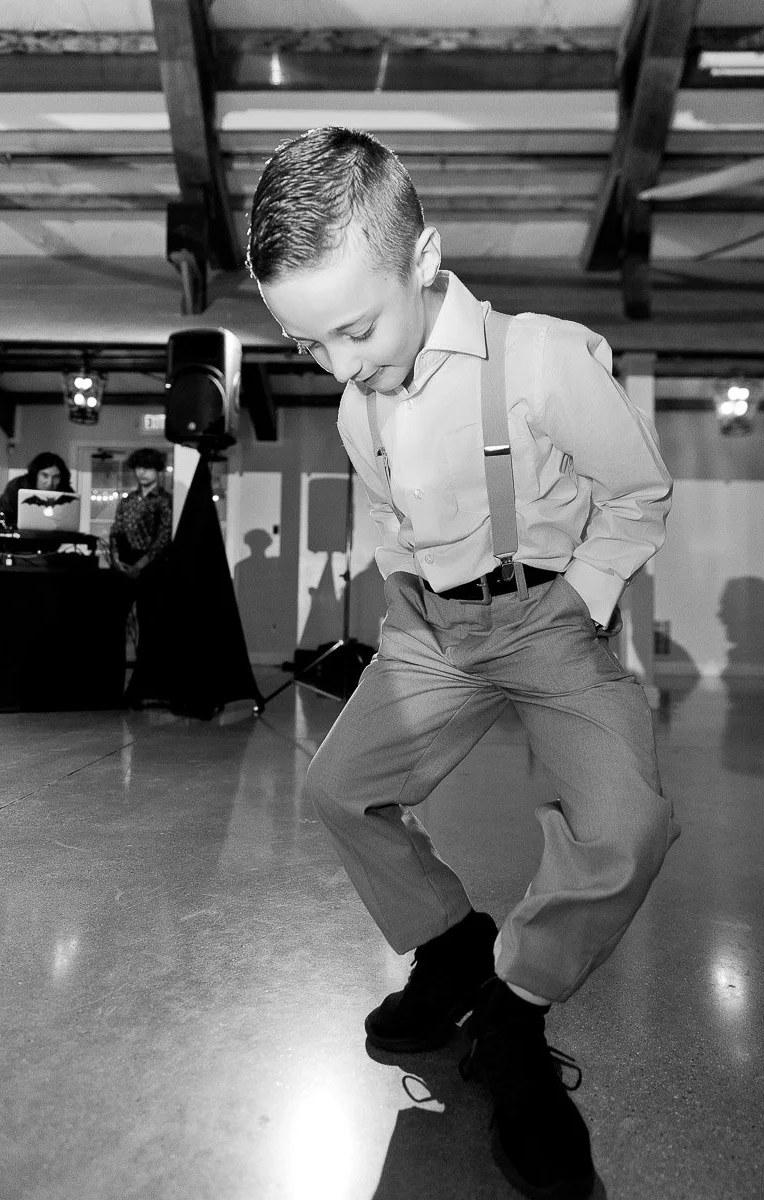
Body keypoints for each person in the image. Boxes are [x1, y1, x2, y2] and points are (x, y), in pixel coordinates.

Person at [247, 126, 680, 1200]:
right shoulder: (359, 407)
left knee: (625, 825)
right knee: (341, 791)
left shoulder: (542, 361)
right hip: (433, 629)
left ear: (423, 258)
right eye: (310, 347)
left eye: (351, 330)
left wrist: (578, 602)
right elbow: (393, 511)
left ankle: (515, 1010)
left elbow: (637, 497)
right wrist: (406, 595)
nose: (341, 368)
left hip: (548, 617)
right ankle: (447, 946)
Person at [109, 448, 172, 706]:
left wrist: (142, 564)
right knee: (115, 623)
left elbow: (164, 536)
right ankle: (113, 685)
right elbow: (115, 530)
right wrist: (115, 559)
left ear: (157, 470)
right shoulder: (128, 499)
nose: (142, 472)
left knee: (149, 627)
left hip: (151, 569)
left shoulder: (164, 500)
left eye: (148, 467)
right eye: (139, 467)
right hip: (124, 565)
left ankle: (143, 688)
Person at [0, 452, 74, 527]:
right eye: (45, 476)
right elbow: (4, 515)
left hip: (56, 537)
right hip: (20, 536)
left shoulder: (67, 493)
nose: (50, 483)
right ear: (36, 475)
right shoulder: (17, 487)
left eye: (56, 477)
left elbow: (70, 523)